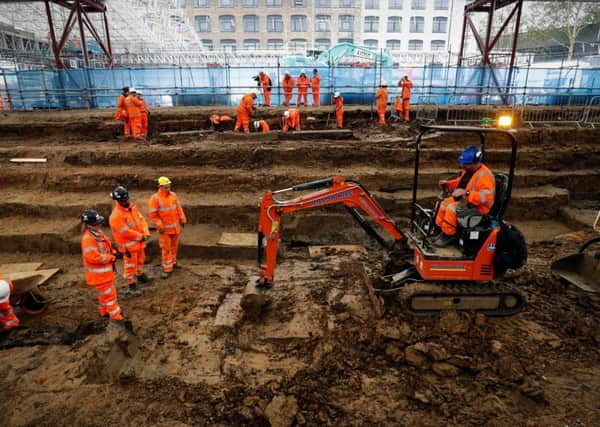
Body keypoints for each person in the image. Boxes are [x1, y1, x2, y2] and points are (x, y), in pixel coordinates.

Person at [433, 146, 496, 247]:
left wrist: (467, 194)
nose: (462, 165)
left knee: (452, 209)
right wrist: (448, 184)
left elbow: (487, 197)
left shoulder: (485, 176)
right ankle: (440, 230)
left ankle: (448, 235)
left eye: (466, 164)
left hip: (479, 209)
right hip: (466, 202)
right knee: (443, 204)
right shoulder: (469, 171)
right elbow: (461, 182)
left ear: (476, 163)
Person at [81, 209, 123, 320]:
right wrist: (111, 258)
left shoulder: (97, 234)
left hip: (104, 274)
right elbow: (93, 257)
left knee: (104, 295)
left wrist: (113, 253)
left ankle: (104, 312)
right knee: (110, 296)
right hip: (100, 276)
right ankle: (116, 317)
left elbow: (104, 248)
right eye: (96, 223)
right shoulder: (88, 239)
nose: (99, 225)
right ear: (89, 225)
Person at [109, 186, 151, 296]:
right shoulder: (116, 216)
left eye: (126, 199)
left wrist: (145, 232)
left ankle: (140, 275)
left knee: (140, 260)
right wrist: (141, 236)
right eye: (123, 200)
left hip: (139, 242)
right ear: (118, 201)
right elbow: (125, 232)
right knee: (130, 266)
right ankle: (131, 284)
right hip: (129, 247)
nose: (125, 201)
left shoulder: (132, 208)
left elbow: (142, 220)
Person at [148, 177, 187, 279]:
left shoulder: (173, 195)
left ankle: (173, 263)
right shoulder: (155, 199)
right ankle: (167, 269)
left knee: (174, 247)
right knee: (166, 249)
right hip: (164, 230)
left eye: (169, 187)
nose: (168, 189)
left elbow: (178, 208)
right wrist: (160, 226)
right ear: (160, 187)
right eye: (166, 187)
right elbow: (153, 215)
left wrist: (182, 219)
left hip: (175, 228)